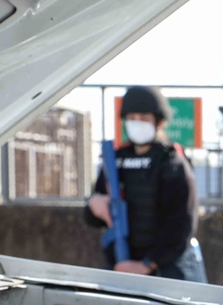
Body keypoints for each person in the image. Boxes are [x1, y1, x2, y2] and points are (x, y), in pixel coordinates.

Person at [85, 85, 207, 282]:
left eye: (144, 118)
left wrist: (147, 265)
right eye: (132, 118)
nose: (137, 123)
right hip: (122, 265)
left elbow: (182, 224)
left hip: (165, 270)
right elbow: (93, 217)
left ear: (158, 121)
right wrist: (94, 205)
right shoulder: (115, 160)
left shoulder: (171, 162)